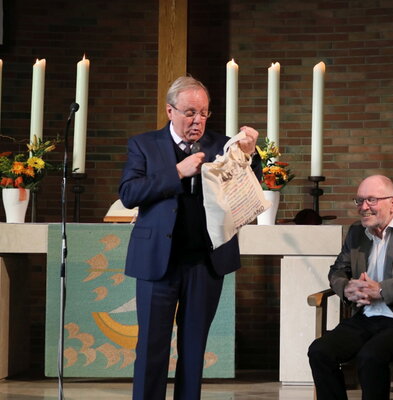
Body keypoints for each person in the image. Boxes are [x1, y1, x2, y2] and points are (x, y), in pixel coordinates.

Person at [119, 76, 262, 400]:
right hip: (158, 262)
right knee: (152, 349)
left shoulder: (220, 145)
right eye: (189, 112)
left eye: (204, 113)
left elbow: (246, 189)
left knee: (194, 348)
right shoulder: (144, 144)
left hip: (204, 263)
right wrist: (177, 173)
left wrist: (249, 156)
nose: (197, 120)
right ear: (170, 111)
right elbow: (129, 193)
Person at [308, 174, 393, 400]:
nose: (364, 207)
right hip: (364, 316)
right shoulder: (356, 232)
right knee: (319, 351)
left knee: (370, 357)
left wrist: (382, 290)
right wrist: (346, 288)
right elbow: (337, 270)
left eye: (371, 200)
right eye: (359, 201)